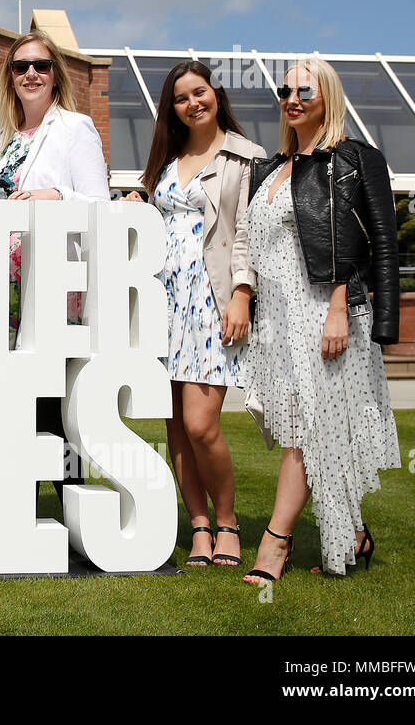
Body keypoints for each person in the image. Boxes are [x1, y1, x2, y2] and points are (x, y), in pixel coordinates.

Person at [240, 58, 400, 582]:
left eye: (304, 89)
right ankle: (352, 535)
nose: (293, 98)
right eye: (285, 89)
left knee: (307, 432)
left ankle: (275, 543)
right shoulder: (269, 167)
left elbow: (376, 243)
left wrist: (341, 309)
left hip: (327, 315)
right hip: (278, 323)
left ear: (327, 95)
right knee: (309, 430)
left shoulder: (355, 159)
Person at [125, 60, 265, 568]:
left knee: (201, 423)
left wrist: (243, 294)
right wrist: (140, 197)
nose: (192, 103)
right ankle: (199, 528)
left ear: (216, 94)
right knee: (176, 427)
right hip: (163, 301)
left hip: (213, 298)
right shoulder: (167, 159)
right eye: (181, 98)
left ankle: (228, 523)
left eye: (199, 92)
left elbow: (250, 231)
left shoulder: (245, 157)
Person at [0, 29, 108, 502]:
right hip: (2, 286)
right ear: (10, 78)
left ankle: (74, 502)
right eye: (20, 66)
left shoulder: (75, 128)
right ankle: (20, 508)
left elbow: (101, 206)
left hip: (51, 284)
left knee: (53, 396)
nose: (31, 73)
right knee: (16, 395)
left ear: (56, 76)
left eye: (41, 65)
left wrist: (58, 196)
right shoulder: (0, 143)